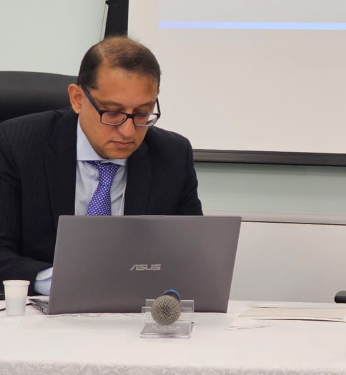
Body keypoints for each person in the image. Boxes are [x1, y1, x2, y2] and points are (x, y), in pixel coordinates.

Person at [0, 36, 203, 294]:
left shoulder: (173, 155)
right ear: (77, 99)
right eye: (113, 113)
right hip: (41, 308)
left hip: (132, 310)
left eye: (142, 113)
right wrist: (60, 282)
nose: (128, 131)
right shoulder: (17, 144)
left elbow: (191, 256)